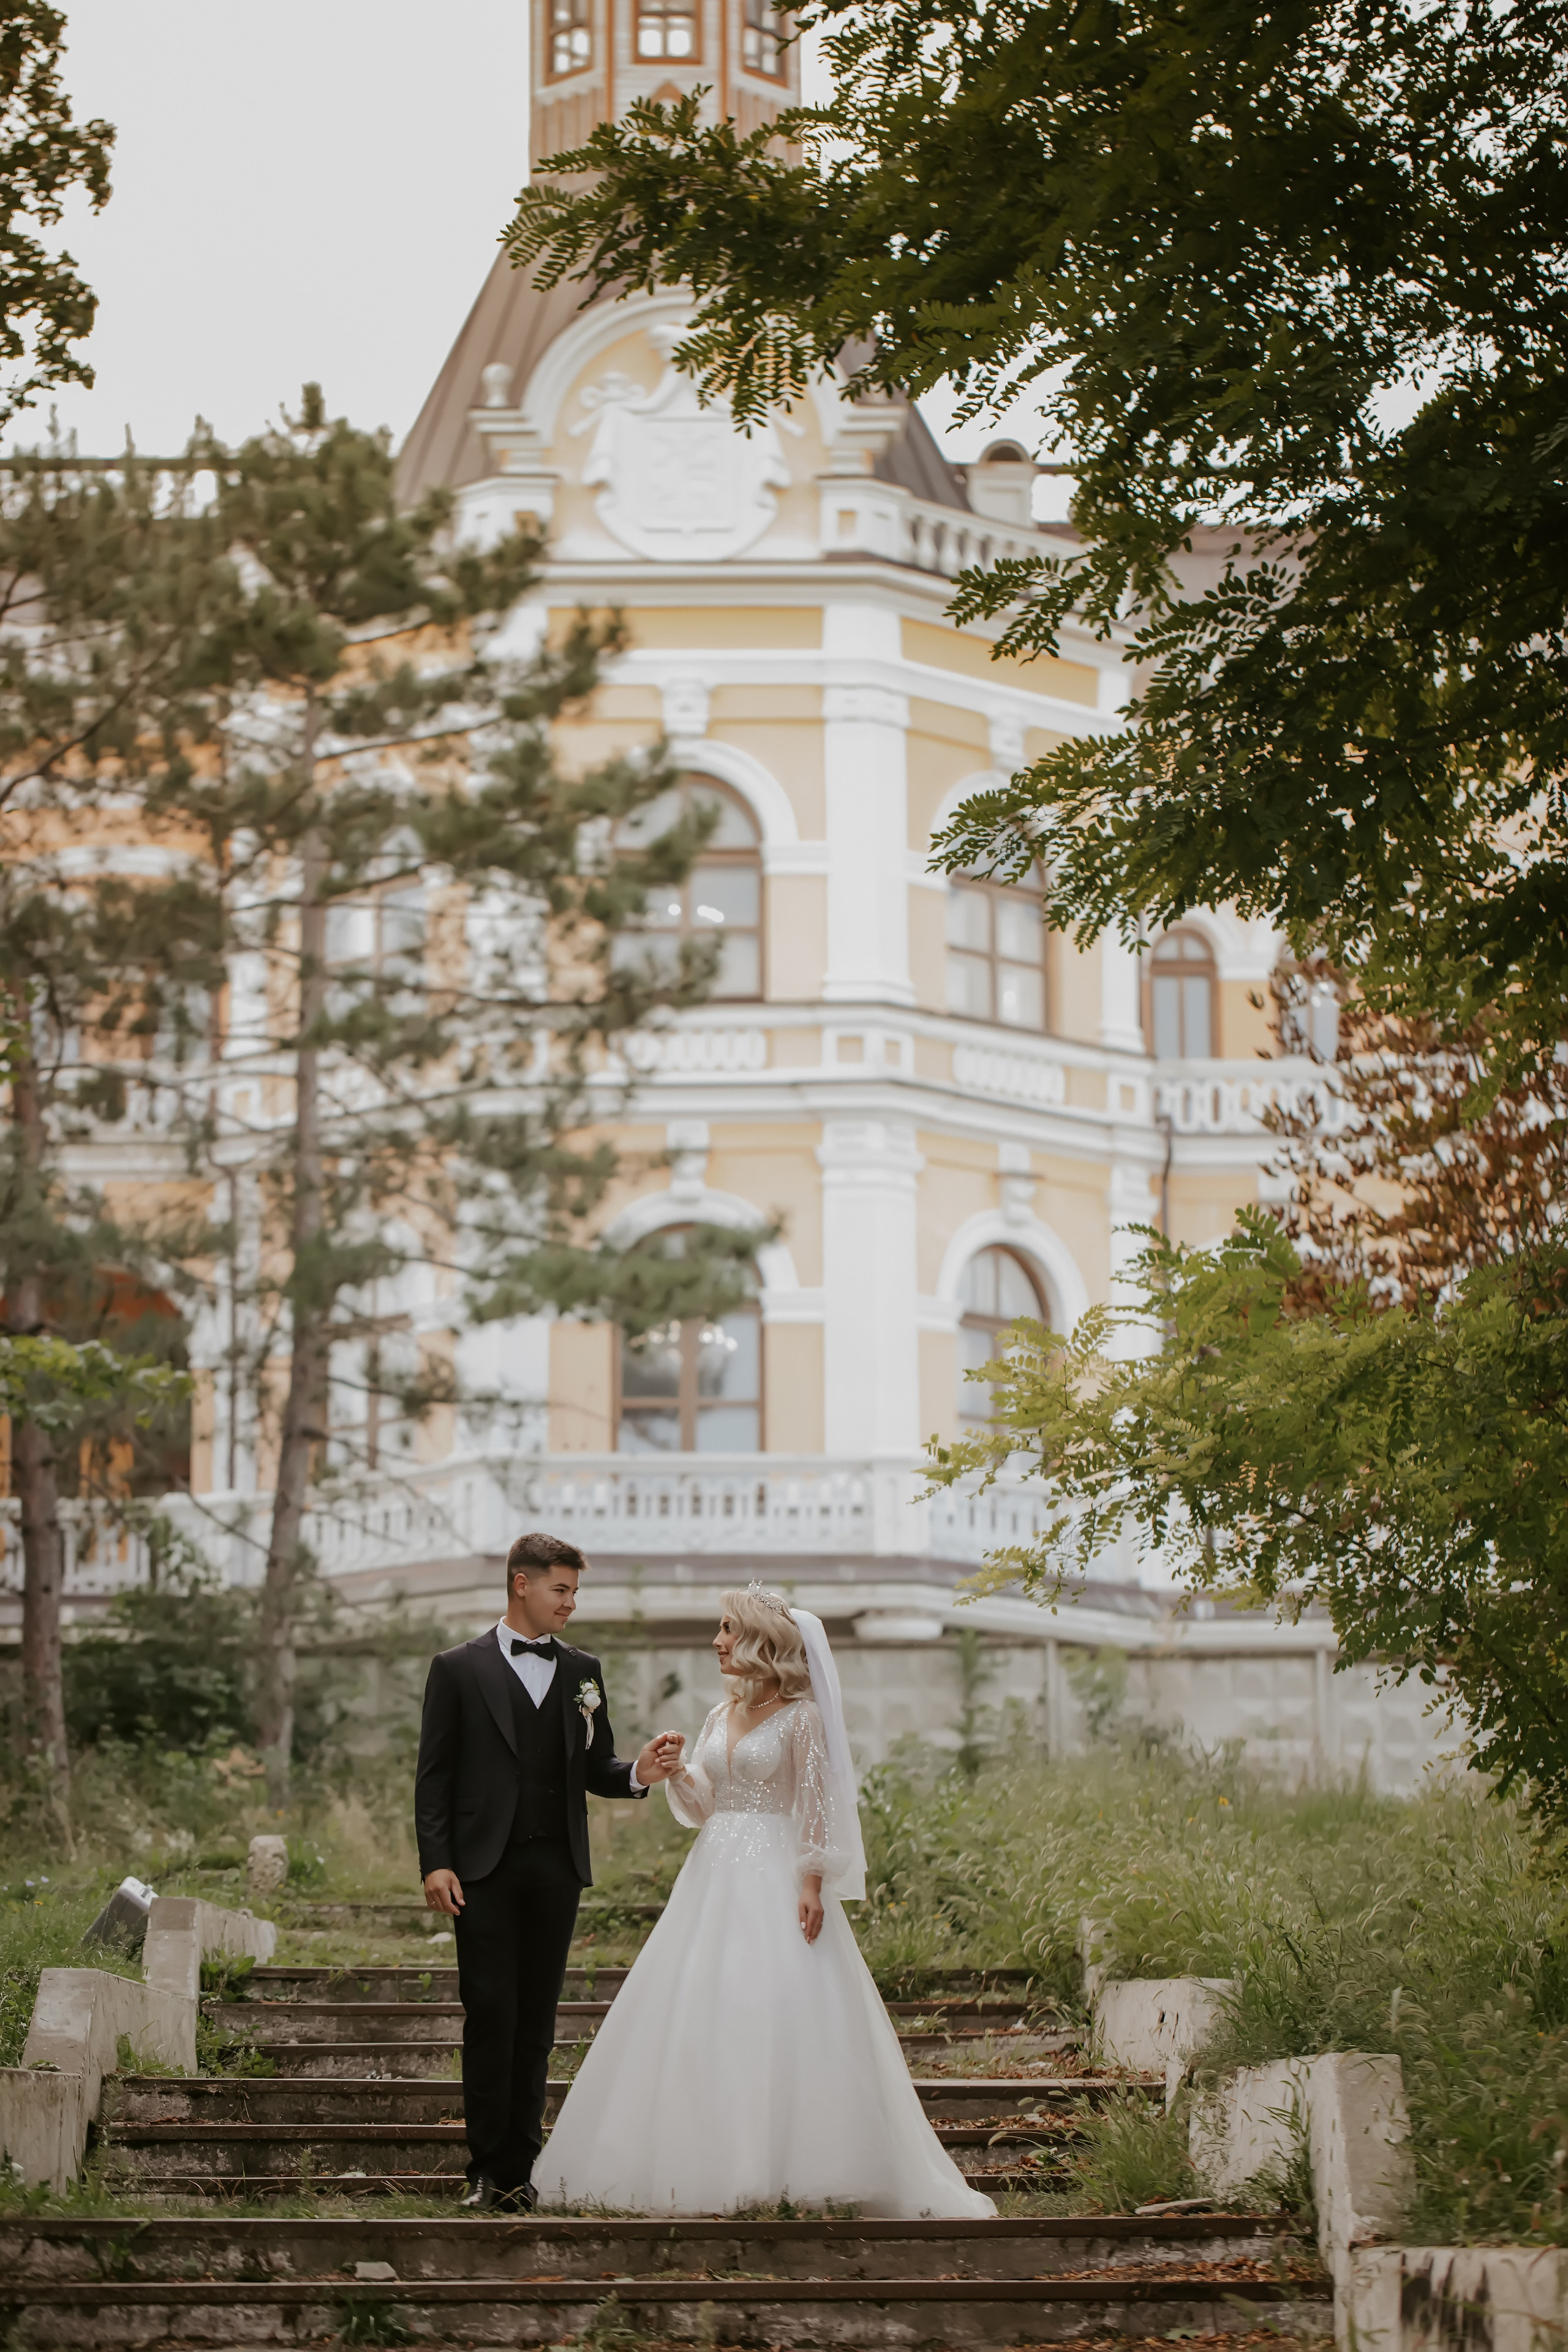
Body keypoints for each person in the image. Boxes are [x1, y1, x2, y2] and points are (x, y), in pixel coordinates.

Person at [538, 1582, 995, 2218]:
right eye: (720, 1629)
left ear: (759, 1640)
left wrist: (811, 1882)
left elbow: (814, 1805)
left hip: (775, 1873)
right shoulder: (717, 1716)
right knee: (704, 2001)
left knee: (775, 2002)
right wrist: (676, 1772)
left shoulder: (802, 1715)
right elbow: (705, 1807)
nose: (717, 1641)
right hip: (713, 1875)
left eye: (728, 1629)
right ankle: (701, 2158)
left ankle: (794, 2163)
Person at [414, 1530, 682, 2213]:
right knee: (490, 2015)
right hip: (481, 1870)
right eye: (560, 1590)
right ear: (521, 1584)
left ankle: (523, 2169)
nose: (570, 1604)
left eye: (575, 1591)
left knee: (536, 2020)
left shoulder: (583, 1670)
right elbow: (434, 1776)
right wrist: (436, 1861)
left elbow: (598, 1766)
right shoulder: (457, 1668)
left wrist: (639, 1776)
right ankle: (486, 2168)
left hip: (556, 1867)